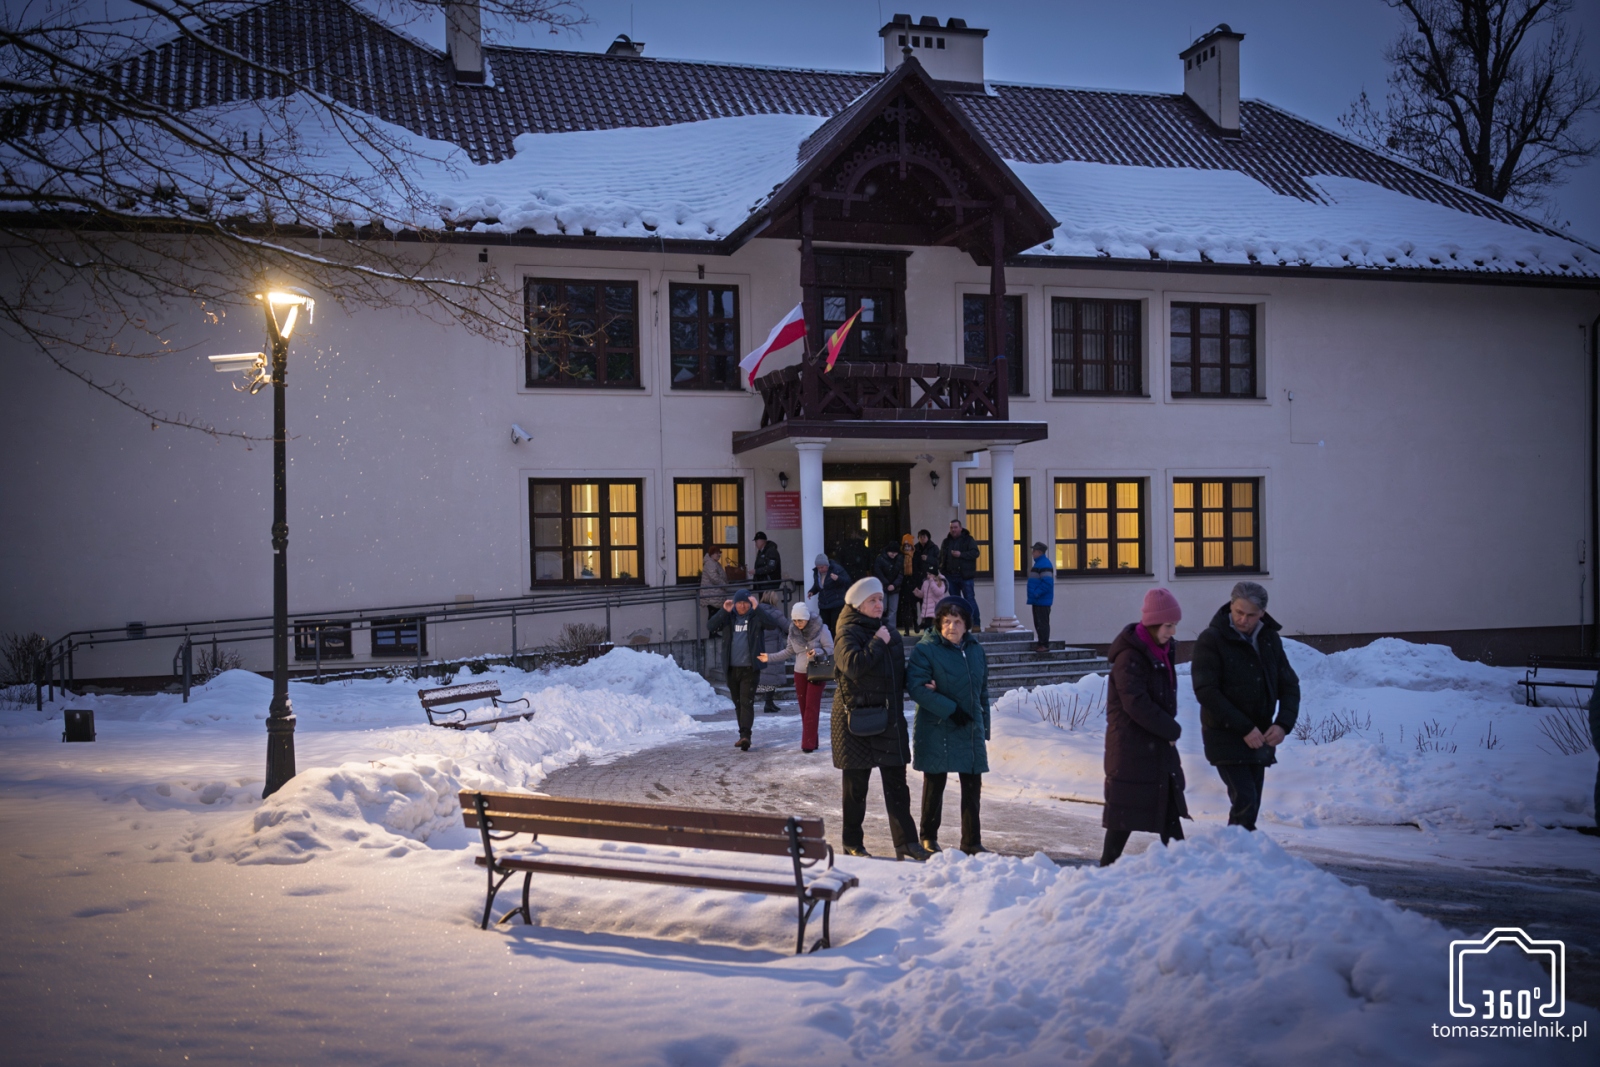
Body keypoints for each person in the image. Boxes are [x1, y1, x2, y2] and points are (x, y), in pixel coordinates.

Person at [831, 577, 929, 861]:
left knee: (898, 785)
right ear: (859, 604)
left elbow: (899, 675)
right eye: (872, 600)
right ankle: (852, 842)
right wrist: (876, 643)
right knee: (855, 788)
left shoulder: (890, 633)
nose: (879, 604)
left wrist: (924, 681)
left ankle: (907, 843)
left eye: (880, 600)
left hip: (888, 719)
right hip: (856, 720)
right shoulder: (846, 632)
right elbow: (851, 666)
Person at [1190, 581, 1301, 831]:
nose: (1243, 620)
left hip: (1261, 736)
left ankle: (1241, 855)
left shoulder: (1269, 639)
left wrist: (1283, 724)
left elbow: (1289, 685)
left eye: (1251, 615)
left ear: (1262, 613)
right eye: (1238, 612)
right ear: (1231, 606)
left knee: (1251, 804)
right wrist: (1243, 727)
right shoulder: (1212, 639)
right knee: (1245, 799)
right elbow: (1206, 691)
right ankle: (1238, 854)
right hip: (1224, 734)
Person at [1100, 588, 1190, 866]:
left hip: (1155, 746)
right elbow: (1136, 703)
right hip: (1131, 748)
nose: (1173, 631)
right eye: (1168, 625)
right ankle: (1105, 869)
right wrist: (1170, 729)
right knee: (1124, 813)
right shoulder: (1130, 657)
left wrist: (1165, 731)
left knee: (1168, 806)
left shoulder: (1162, 649)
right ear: (1152, 624)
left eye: (1175, 625)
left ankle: (1183, 866)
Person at [907, 596, 991, 855]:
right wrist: (951, 710)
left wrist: (984, 725)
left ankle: (972, 842)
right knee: (935, 783)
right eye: (946, 621)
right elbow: (917, 688)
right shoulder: (926, 649)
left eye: (957, 621)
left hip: (969, 727)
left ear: (967, 625)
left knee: (972, 785)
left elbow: (983, 691)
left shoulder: (975, 650)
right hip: (937, 726)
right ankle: (928, 838)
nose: (951, 627)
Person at [707, 589, 786, 751]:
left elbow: (771, 624)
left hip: (750, 668)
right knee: (738, 703)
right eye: (739, 603)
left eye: (745, 603)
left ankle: (745, 736)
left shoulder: (755, 617)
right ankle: (743, 734)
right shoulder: (729, 617)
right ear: (735, 603)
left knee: (746, 702)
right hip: (731, 668)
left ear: (750, 604)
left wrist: (758, 608)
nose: (742, 606)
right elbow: (711, 626)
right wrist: (723, 610)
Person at [760, 601, 834, 753]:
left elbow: (830, 648)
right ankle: (813, 741)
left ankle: (807, 744)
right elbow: (788, 651)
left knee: (811, 707)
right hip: (799, 673)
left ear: (807, 618)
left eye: (800, 620)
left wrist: (817, 652)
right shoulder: (793, 630)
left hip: (817, 671)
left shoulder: (821, 628)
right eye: (794, 620)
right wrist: (769, 657)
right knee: (803, 708)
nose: (797, 623)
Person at [940, 519, 981, 630]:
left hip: (965, 576)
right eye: (951, 527)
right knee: (955, 602)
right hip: (950, 576)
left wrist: (961, 554)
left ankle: (975, 624)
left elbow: (975, 553)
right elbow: (942, 557)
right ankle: (959, 625)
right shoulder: (946, 542)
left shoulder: (968, 540)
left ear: (960, 528)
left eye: (955, 527)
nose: (953, 529)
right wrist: (942, 572)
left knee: (970, 600)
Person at [755, 589, 787, 715]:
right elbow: (787, 627)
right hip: (773, 646)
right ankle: (768, 702)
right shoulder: (775, 613)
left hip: (761, 645)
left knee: (767, 676)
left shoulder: (757, 611)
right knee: (771, 676)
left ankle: (769, 702)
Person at [809, 553, 851, 635]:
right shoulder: (817, 573)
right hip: (824, 604)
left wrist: (838, 579)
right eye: (818, 568)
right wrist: (812, 591)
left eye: (822, 567)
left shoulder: (836, 569)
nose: (820, 570)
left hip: (836, 603)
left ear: (827, 565)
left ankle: (835, 644)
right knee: (824, 627)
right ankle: (828, 644)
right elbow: (819, 586)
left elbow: (847, 581)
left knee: (835, 626)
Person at [1026, 542, 1055, 654]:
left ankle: (1044, 644)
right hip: (1038, 600)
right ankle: (1041, 643)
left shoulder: (1044, 564)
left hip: (1042, 600)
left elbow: (1047, 583)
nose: (1032, 553)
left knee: (1042, 622)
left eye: (1034, 551)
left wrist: (1036, 593)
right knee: (1039, 622)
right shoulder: (1040, 564)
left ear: (1039, 552)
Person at [871, 542, 904, 633]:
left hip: (894, 587)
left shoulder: (900, 559)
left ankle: (891, 629)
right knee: (882, 607)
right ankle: (880, 627)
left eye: (895, 553)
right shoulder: (880, 558)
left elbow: (901, 574)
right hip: (883, 587)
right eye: (891, 553)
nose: (893, 555)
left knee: (893, 609)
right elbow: (878, 572)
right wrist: (887, 584)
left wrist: (894, 585)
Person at [913, 566, 949, 632]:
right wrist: (918, 593)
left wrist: (932, 581)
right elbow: (923, 595)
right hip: (926, 611)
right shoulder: (925, 582)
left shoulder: (940, 582)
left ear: (935, 575)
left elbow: (939, 593)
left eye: (930, 574)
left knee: (934, 628)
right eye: (927, 574)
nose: (928, 576)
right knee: (927, 628)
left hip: (935, 611)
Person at [698, 547, 727, 623]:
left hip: (713, 595)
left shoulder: (715, 563)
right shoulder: (710, 564)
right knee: (713, 614)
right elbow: (714, 578)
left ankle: (714, 633)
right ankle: (713, 633)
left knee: (715, 614)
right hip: (711, 595)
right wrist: (724, 585)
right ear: (711, 554)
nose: (718, 555)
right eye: (716, 553)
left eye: (719, 553)